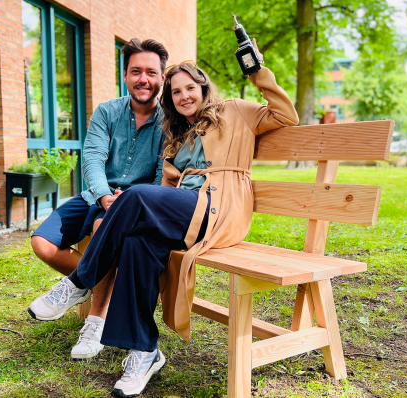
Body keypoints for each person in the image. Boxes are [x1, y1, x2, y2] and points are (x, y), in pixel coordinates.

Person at [33, 40, 299, 397]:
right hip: (182, 214)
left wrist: (256, 72)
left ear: (204, 88)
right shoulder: (176, 138)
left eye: (190, 88)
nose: (184, 96)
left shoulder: (235, 112)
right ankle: (145, 350)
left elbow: (285, 115)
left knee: (137, 195)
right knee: (135, 242)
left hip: (217, 212)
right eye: (176, 92)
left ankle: (80, 281)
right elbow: (164, 186)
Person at [27, 38, 168, 360]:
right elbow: (92, 157)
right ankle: (97, 283)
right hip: (96, 193)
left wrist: (125, 201)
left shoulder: (169, 121)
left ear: (162, 77)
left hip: (136, 202)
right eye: (135, 71)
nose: (143, 79)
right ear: (125, 75)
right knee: (42, 244)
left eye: (150, 72)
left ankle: (96, 322)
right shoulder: (107, 111)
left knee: (106, 227)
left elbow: (162, 173)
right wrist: (104, 195)